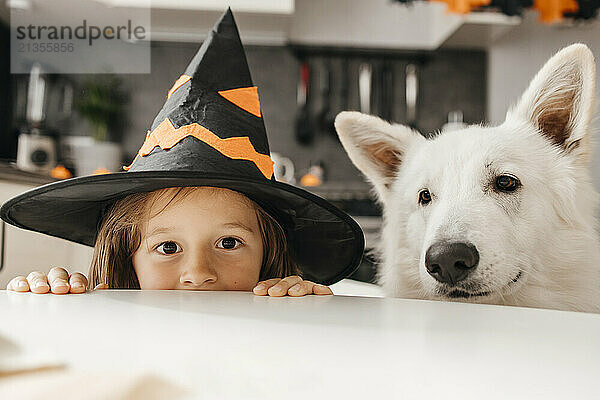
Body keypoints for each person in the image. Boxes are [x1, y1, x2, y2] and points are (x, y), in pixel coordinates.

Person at [1, 9, 364, 297]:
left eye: (229, 242)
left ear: (268, 256)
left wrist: (305, 312)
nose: (198, 274)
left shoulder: (285, 315)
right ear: (128, 261)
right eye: (168, 246)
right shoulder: (103, 325)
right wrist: (52, 309)